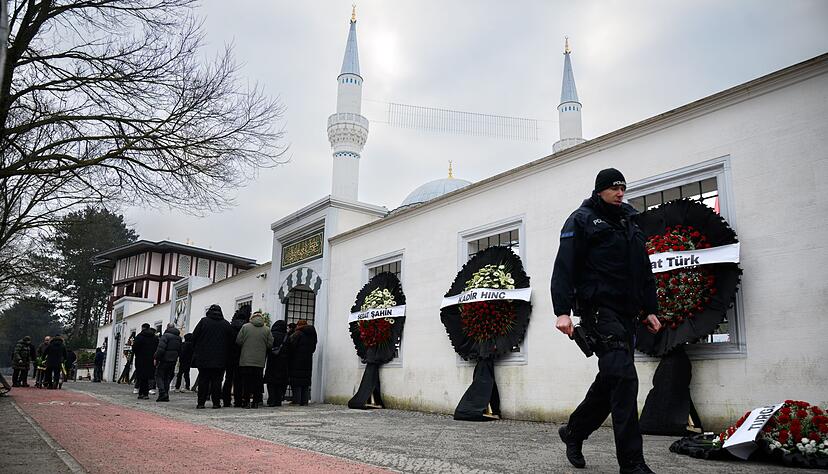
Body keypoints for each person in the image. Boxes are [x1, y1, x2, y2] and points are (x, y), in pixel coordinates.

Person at [551, 168, 661, 474]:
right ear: (600, 189)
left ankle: (574, 431)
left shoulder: (629, 221)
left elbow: (644, 268)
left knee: (612, 379)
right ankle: (632, 464)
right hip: (598, 311)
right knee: (625, 379)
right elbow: (564, 266)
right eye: (614, 188)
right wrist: (562, 311)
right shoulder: (582, 219)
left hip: (627, 314)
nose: (620, 192)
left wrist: (650, 309)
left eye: (623, 188)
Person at [191, 304, 233, 409]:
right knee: (217, 381)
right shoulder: (226, 324)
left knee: (203, 380)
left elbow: (194, 337)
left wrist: (198, 350)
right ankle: (216, 403)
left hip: (204, 358)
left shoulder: (203, 322)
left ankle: (201, 403)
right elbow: (231, 342)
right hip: (220, 358)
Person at [236, 311, 273, 408]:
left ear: (251, 318)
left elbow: (239, 341)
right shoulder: (267, 329)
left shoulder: (245, 327)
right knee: (257, 382)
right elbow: (270, 344)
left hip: (246, 360)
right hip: (259, 361)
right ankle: (256, 401)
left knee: (246, 381)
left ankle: (246, 401)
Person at [223, 306, 250, 407]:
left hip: (229, 356)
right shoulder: (246, 327)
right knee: (239, 379)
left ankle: (226, 400)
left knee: (228, 378)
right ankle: (238, 401)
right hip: (241, 356)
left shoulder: (230, 327)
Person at [287, 319, 317, 406]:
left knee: (296, 381)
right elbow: (313, 348)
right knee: (305, 381)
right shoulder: (312, 334)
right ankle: (304, 401)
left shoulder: (298, 333)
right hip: (308, 360)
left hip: (297, 360)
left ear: (298, 325)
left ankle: (296, 400)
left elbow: (291, 345)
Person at [154, 323, 182, 402]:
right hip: (173, 360)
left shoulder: (165, 336)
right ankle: (165, 395)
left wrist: (156, 357)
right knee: (168, 377)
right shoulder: (179, 338)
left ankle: (162, 393)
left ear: (167, 327)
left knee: (158, 376)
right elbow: (180, 350)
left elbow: (161, 349)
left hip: (164, 359)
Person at [265, 320, 290, 406]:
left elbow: (268, 346)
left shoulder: (271, 335)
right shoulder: (286, 336)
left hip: (272, 360)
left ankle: (271, 399)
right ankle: (278, 400)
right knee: (280, 382)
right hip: (283, 362)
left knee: (271, 382)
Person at [131, 323, 159, 399]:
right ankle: (145, 394)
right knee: (147, 377)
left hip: (140, 359)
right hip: (151, 359)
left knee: (141, 376)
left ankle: (141, 393)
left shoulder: (139, 337)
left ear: (142, 328)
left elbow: (134, 348)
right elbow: (157, 348)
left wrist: (137, 354)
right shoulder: (155, 337)